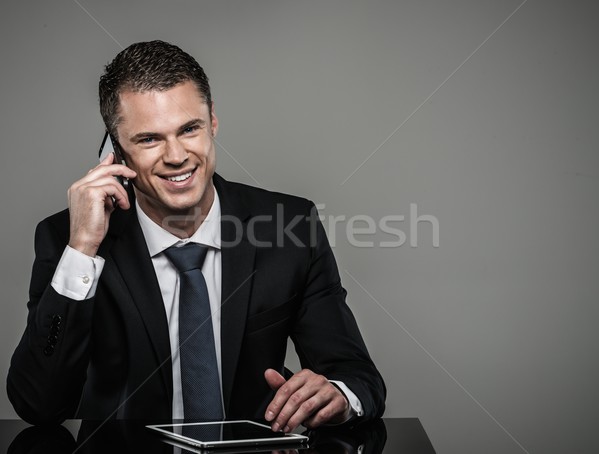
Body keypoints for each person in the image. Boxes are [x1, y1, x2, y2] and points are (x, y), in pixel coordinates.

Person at [7, 40, 385, 431]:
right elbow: (38, 404)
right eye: (149, 139)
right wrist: (83, 249)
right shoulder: (67, 239)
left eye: (189, 129)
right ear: (116, 151)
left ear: (213, 121)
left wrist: (339, 395)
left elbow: (360, 378)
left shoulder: (290, 226)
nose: (176, 156)